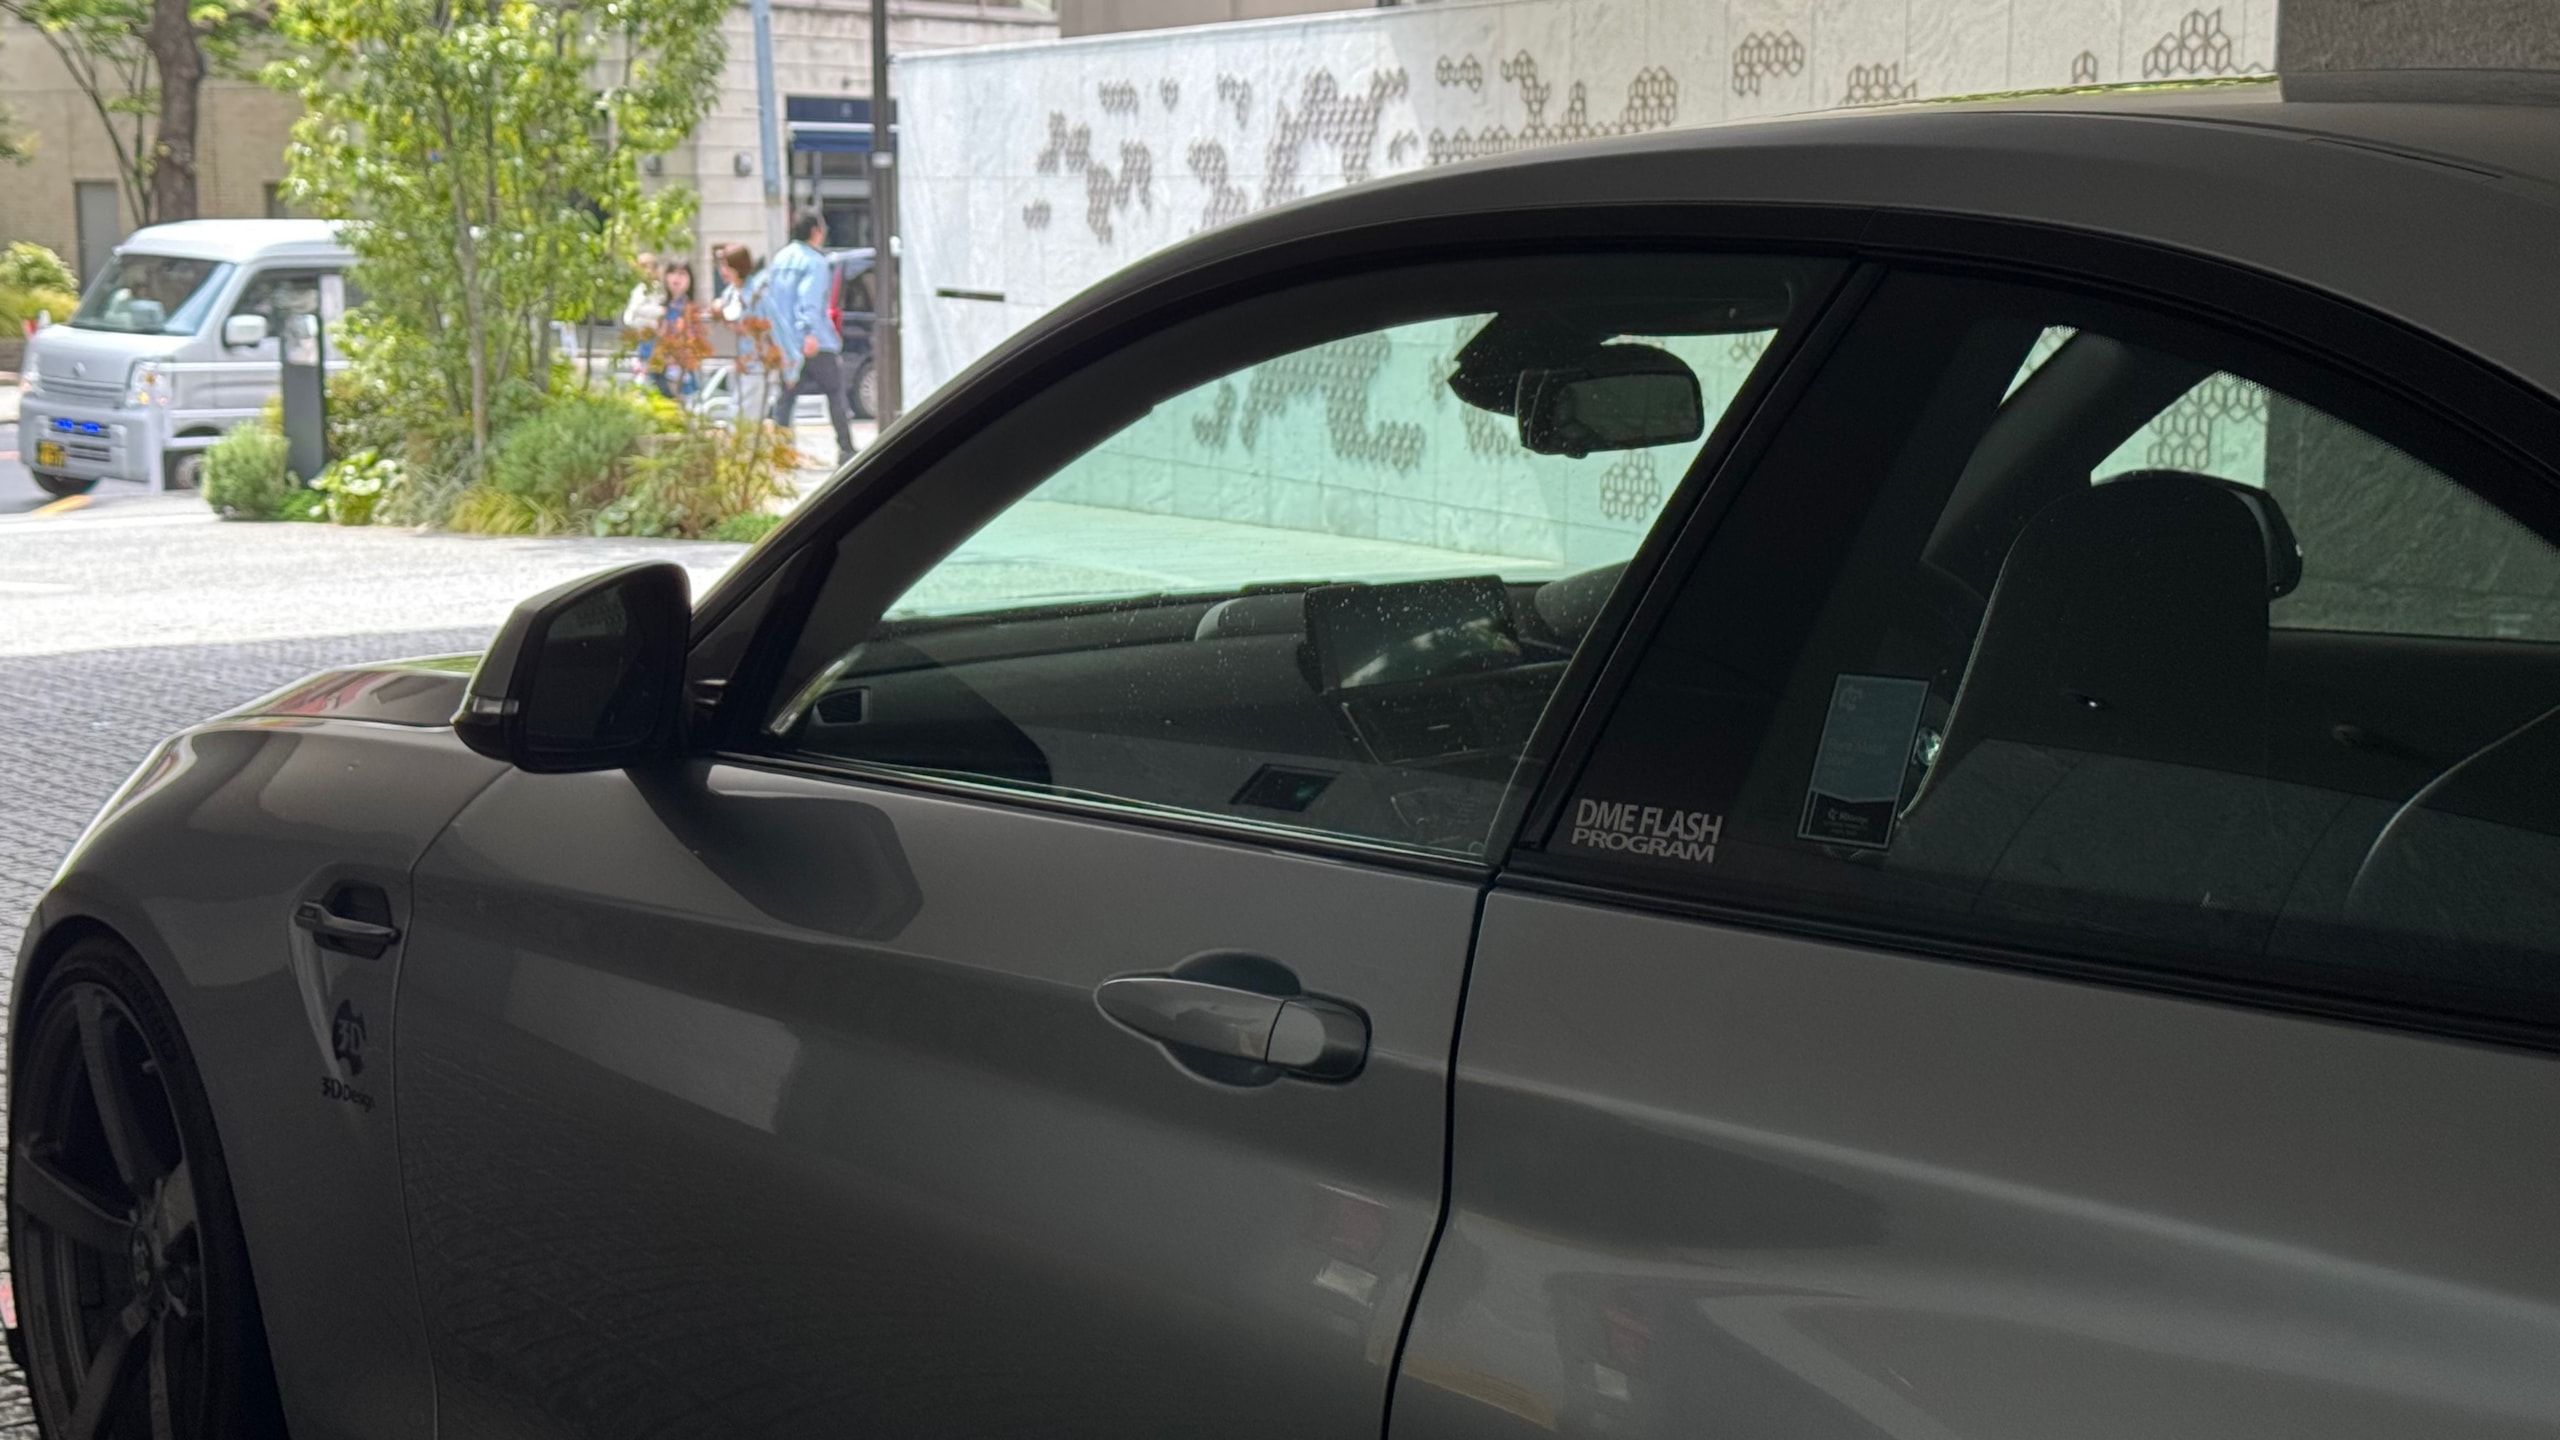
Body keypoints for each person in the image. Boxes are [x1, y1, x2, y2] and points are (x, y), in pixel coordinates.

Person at [764, 209, 857, 465]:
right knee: (835, 392)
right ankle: (846, 449)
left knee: (785, 398)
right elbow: (809, 300)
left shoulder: (779, 259)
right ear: (816, 231)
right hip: (814, 342)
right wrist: (809, 333)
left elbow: (771, 301)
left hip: (785, 342)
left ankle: (782, 452)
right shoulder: (815, 262)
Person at [714, 244, 783, 426]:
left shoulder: (757, 294)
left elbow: (772, 328)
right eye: (722, 266)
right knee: (737, 415)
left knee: (745, 419)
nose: (723, 271)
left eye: (728, 266)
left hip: (757, 364)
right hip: (739, 363)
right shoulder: (730, 293)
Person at [651, 261, 706, 404]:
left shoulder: (692, 310)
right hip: (658, 370)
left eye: (682, 273)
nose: (676, 278)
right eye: (672, 272)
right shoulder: (658, 308)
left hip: (682, 373)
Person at [621, 252, 664, 382]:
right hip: (642, 334)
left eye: (646, 266)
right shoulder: (640, 289)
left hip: (655, 335)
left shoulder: (657, 288)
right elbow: (634, 310)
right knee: (644, 368)